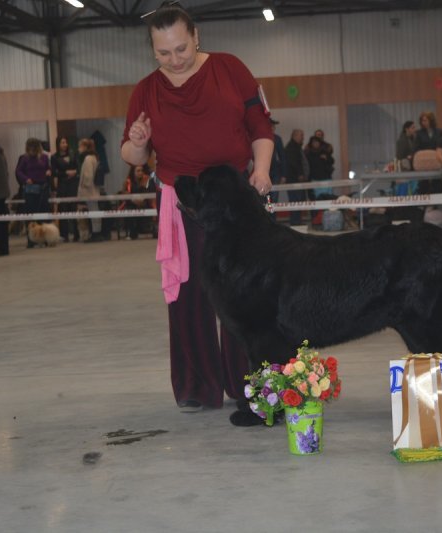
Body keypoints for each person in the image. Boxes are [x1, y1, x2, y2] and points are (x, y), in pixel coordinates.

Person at [120, 3, 274, 424]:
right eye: (163, 53)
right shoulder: (145, 90)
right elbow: (132, 156)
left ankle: (249, 384)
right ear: (153, 50)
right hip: (181, 202)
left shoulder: (230, 69)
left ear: (196, 37)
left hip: (236, 199)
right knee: (187, 296)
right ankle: (196, 386)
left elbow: (261, 127)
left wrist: (261, 170)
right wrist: (138, 142)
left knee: (245, 293)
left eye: (181, 49)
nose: (174, 60)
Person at [15, 138, 52, 247]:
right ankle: (31, 240)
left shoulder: (44, 157)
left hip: (43, 188)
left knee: (44, 213)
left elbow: (49, 168)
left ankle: (45, 238)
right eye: (30, 148)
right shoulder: (24, 158)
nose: (33, 150)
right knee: (30, 215)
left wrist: (49, 171)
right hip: (30, 189)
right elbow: (18, 171)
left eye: (34, 147)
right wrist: (26, 179)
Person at [51, 135, 80, 242]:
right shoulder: (54, 157)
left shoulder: (73, 154)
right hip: (62, 186)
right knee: (63, 209)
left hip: (73, 184)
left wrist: (75, 172)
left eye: (66, 142)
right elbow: (54, 172)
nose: (65, 145)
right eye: (62, 142)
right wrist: (65, 173)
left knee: (73, 209)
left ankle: (76, 234)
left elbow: (78, 167)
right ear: (58, 144)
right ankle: (64, 235)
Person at [77, 138, 103, 242]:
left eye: (80, 146)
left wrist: (84, 186)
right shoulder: (94, 157)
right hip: (93, 189)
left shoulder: (88, 159)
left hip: (89, 190)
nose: (78, 149)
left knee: (93, 211)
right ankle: (96, 231)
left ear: (85, 147)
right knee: (94, 210)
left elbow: (88, 176)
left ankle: (96, 232)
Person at [284, 129, 309, 226]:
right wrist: (300, 174)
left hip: (296, 179)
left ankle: (297, 221)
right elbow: (293, 162)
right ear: (295, 136)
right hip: (294, 180)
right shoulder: (291, 147)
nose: (303, 137)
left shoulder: (296, 147)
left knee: (298, 201)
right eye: (301, 135)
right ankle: (295, 222)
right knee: (295, 202)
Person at [268, 118, 286, 208]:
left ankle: (272, 215)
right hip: (263, 172)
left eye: (274, 126)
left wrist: (283, 175)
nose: (273, 128)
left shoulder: (277, 139)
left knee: (274, 197)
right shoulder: (258, 138)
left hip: (275, 172)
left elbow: (282, 157)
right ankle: (268, 214)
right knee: (265, 197)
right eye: (271, 126)